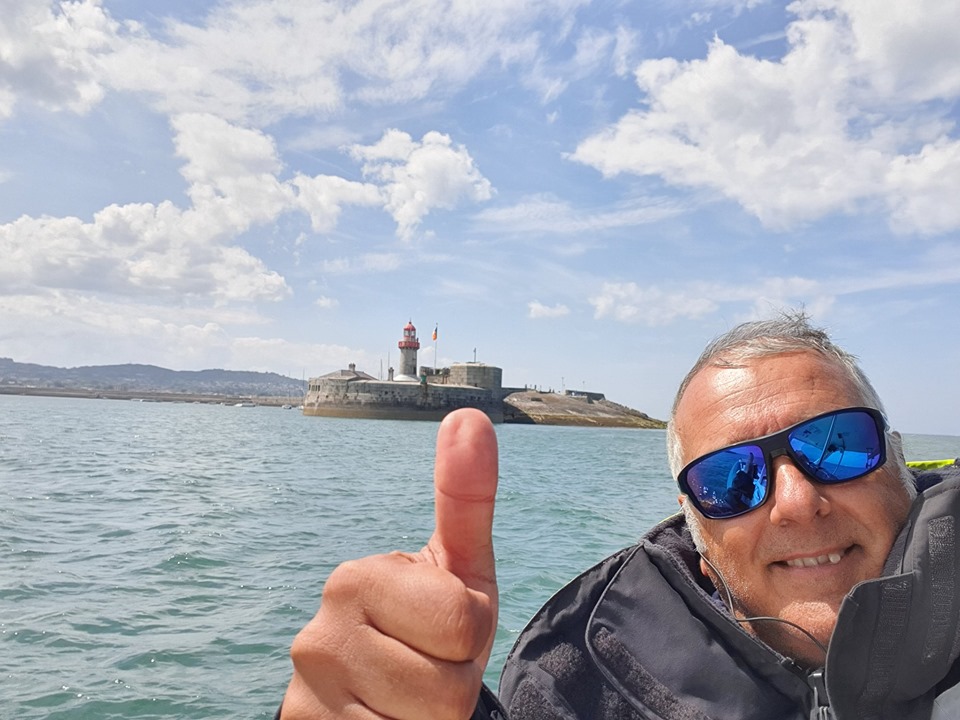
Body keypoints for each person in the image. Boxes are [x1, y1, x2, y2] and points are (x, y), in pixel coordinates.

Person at [277, 312, 960, 719]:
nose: (796, 501)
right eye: (730, 480)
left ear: (898, 460)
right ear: (694, 529)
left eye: (836, 446)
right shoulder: (578, 687)